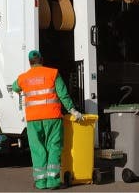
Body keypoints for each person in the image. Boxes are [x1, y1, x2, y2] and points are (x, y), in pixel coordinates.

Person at [12, 50, 83, 190]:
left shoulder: (23, 78)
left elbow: (15, 87)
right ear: (42, 60)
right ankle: (53, 181)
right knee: (54, 147)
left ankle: (40, 182)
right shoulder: (53, 73)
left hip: (33, 120)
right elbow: (63, 94)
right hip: (52, 118)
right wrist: (73, 111)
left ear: (30, 62)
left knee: (38, 149)